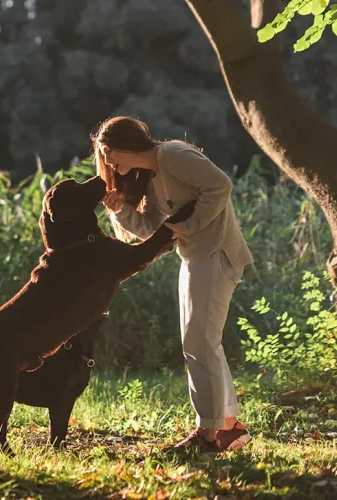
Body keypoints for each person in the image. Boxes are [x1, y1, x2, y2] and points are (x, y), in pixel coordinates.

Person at [93, 116, 254, 453]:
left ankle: (206, 436)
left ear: (123, 146)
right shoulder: (151, 177)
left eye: (108, 153)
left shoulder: (173, 154)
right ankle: (227, 427)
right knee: (203, 344)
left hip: (215, 253)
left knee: (199, 344)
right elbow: (153, 231)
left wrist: (190, 225)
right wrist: (121, 209)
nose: (107, 162)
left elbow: (220, 186)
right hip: (195, 258)